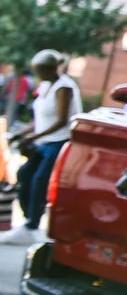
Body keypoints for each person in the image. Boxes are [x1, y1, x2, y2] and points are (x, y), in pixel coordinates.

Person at [7, 49, 79, 242]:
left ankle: (33, 225)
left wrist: (33, 137)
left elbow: (62, 120)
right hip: (45, 141)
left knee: (40, 180)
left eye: (39, 70)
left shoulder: (64, 87)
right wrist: (21, 134)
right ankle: (29, 220)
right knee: (24, 174)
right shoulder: (46, 86)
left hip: (59, 141)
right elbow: (40, 120)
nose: (37, 74)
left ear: (50, 68)